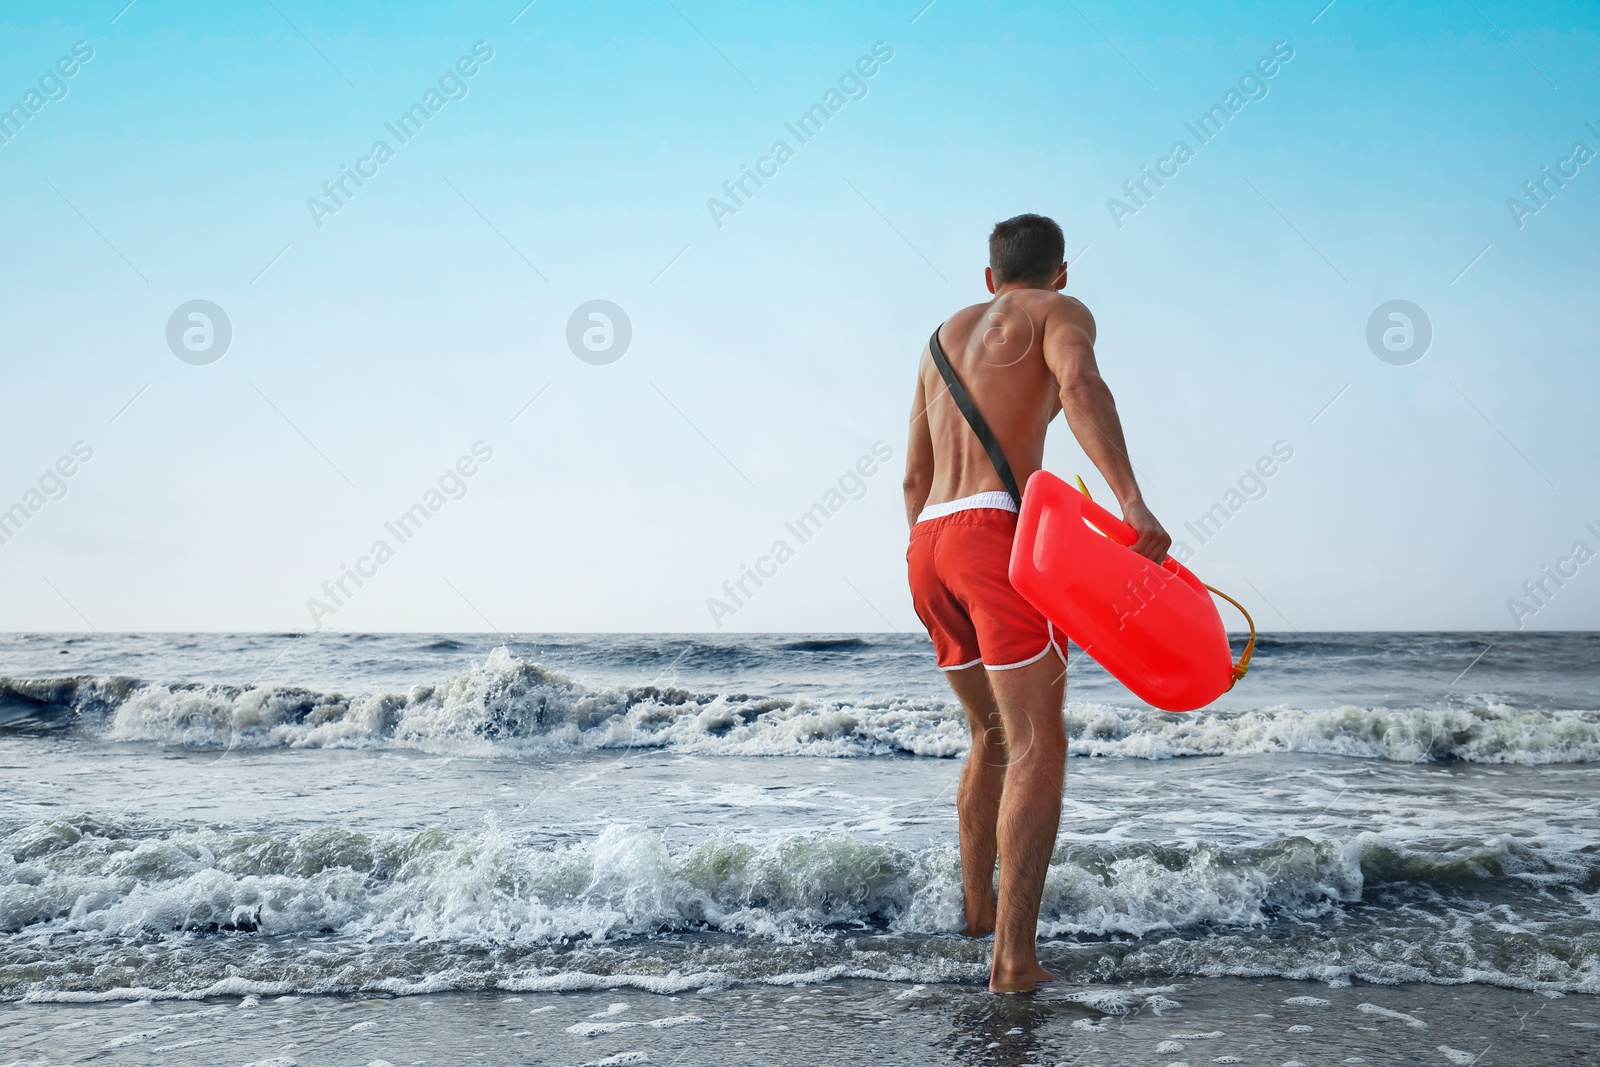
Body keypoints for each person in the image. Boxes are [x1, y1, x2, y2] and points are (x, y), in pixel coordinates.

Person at [901, 213, 1171, 993]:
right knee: (1036, 744)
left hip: (927, 544)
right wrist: (1132, 502)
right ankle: (1013, 962)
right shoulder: (1060, 313)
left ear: (989, 279)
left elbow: (913, 477)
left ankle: (978, 912)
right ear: (1061, 272)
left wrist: (932, 553)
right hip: (994, 533)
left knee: (989, 735)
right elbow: (1081, 384)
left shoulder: (939, 338)